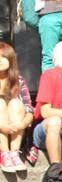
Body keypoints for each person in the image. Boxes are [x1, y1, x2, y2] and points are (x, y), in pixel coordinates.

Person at [0, 43, 34, 172]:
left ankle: (14, 153)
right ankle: (4, 153)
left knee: (15, 103)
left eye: (3, 57)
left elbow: (29, 109)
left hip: (15, 129)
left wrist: (22, 124)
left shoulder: (18, 80)